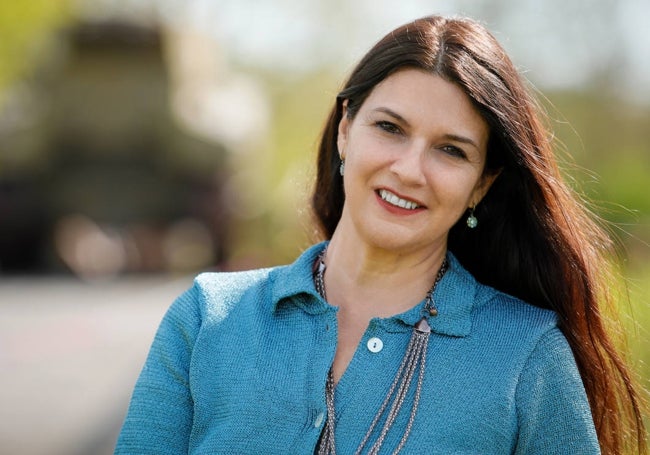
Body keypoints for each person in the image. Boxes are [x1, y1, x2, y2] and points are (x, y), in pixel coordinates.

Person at [114, 15, 646, 455]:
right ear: (346, 128)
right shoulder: (208, 319)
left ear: (482, 185)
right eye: (390, 128)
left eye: (451, 150)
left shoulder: (528, 360)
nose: (410, 170)